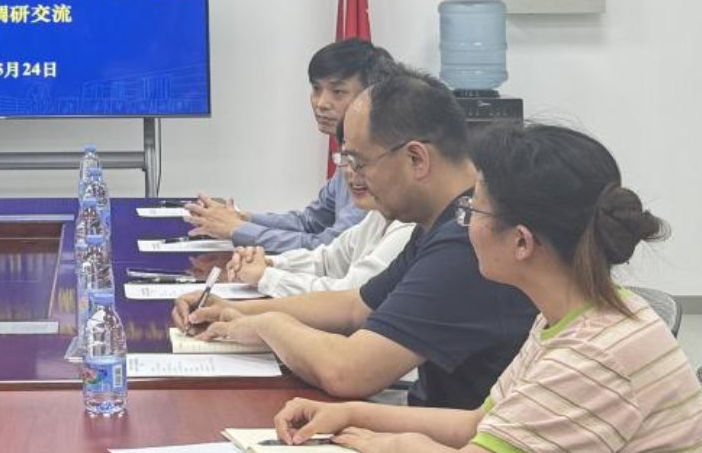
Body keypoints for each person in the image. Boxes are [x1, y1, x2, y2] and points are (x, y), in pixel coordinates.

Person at [271, 124, 702, 453]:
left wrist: (397, 445)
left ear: (521, 241)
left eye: (474, 209)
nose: (466, 223)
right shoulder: (570, 316)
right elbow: (476, 425)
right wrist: (352, 415)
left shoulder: (593, 355)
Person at [180, 67, 535, 408]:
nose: (355, 178)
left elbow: (348, 371)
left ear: (416, 158)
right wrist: (231, 310)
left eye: (360, 163)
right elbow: (355, 307)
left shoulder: (467, 240)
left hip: (456, 440)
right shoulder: (441, 220)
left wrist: (268, 325)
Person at [185, 39, 392, 252]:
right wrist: (242, 218)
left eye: (338, 92)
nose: (321, 103)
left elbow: (329, 248)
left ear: (372, 96)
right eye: (316, 89)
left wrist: (238, 229)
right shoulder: (347, 157)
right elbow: (311, 222)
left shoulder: (377, 164)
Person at [215, 149, 412, 298]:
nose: (350, 171)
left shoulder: (409, 227)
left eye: (361, 161)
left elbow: (350, 298)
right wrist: (271, 263)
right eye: (346, 159)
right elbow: (328, 260)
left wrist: (266, 276)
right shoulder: (379, 214)